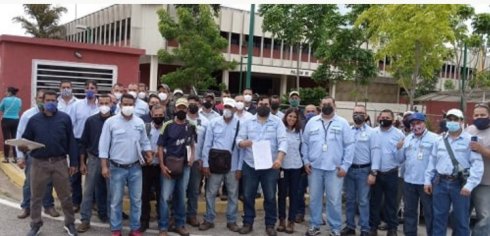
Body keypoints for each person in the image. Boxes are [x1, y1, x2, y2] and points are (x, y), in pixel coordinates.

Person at [18, 90, 79, 236]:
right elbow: (26, 139)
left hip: (60, 162)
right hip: (39, 163)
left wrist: (74, 162)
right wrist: (22, 148)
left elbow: (71, 141)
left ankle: (69, 223)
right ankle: (36, 224)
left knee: (65, 196)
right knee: (36, 196)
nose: (50, 103)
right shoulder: (34, 120)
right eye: (48, 100)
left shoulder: (65, 118)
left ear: (57, 102)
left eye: (53, 100)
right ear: (42, 102)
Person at [99, 93, 153, 236]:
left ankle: (135, 228)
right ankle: (116, 229)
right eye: (125, 104)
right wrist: (104, 166)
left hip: (135, 168)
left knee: (136, 200)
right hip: (116, 168)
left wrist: (148, 154)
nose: (128, 107)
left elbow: (144, 141)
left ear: (134, 106)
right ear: (120, 105)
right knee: (116, 201)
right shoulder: (110, 122)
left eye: (130, 104)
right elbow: (103, 146)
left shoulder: (139, 122)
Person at [424, 108, 483, 236]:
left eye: (455, 119)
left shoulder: (470, 140)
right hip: (440, 183)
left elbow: (477, 164)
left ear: (462, 121)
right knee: (439, 219)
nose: (452, 122)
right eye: (449, 119)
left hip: (460, 185)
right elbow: (432, 162)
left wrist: (470, 185)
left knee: (461, 220)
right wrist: (427, 181)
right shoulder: (439, 140)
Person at [302, 96, 354, 236]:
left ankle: (335, 228)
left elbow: (349, 146)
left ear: (334, 105)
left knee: (334, 199)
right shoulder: (312, 122)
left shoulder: (342, 123)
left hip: (335, 169)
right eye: (324, 104)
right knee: (314, 198)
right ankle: (314, 225)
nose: (326, 106)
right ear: (320, 105)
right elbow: (305, 143)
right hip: (315, 168)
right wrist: (306, 161)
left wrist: (345, 166)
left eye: (329, 104)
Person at [236, 95, 287, 236]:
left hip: (270, 167)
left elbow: (283, 141)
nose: (263, 106)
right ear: (256, 105)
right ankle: (248, 222)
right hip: (250, 165)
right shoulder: (247, 121)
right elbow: (238, 139)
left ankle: (270, 225)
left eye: (266, 104)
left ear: (270, 106)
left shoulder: (277, 122)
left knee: (270, 196)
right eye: (260, 103)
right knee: (248, 195)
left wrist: (279, 159)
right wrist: (243, 143)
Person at [199, 98, 241, 232]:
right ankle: (209, 219)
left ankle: (232, 220)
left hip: (233, 166)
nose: (228, 109)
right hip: (215, 165)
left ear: (235, 109)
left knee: (233, 194)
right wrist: (206, 163)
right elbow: (207, 144)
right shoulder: (214, 123)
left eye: (231, 107)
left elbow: (241, 150)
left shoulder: (240, 125)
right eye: (226, 106)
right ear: (223, 107)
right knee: (210, 193)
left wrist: (239, 167)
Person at [15, 89, 58, 219]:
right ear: (36, 99)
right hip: (32, 154)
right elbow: (20, 135)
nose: (42, 101)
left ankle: (48, 206)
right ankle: (26, 207)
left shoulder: (54, 115)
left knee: (48, 181)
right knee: (29, 181)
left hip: (49, 155)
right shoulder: (28, 115)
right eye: (40, 98)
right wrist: (20, 156)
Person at [158, 98, 196, 236]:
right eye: (179, 108)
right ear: (175, 109)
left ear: (187, 110)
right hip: (169, 166)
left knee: (181, 197)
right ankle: (163, 227)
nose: (181, 110)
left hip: (185, 167)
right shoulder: (167, 125)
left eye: (184, 108)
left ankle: (180, 224)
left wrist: (192, 157)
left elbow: (192, 143)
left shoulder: (191, 125)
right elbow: (160, 147)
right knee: (165, 197)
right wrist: (162, 165)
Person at [397, 112, 438, 236]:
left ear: (424, 123)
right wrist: (398, 149)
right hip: (409, 181)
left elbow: (437, 160)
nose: (416, 126)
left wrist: (431, 180)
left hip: (427, 182)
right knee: (409, 212)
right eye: (413, 124)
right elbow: (400, 160)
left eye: (418, 123)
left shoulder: (435, 139)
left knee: (430, 212)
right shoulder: (408, 138)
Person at [76, 94, 113, 233]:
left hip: (112, 160)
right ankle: (85, 220)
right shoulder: (91, 121)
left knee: (111, 192)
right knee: (89, 191)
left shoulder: (116, 120)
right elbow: (83, 143)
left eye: (107, 103)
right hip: (94, 159)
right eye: (101, 102)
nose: (104, 105)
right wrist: (82, 162)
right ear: (98, 104)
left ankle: (110, 219)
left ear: (111, 104)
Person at [341, 105, 378, 236]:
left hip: (364, 170)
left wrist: (373, 172)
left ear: (366, 115)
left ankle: (365, 229)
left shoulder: (372, 132)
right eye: (356, 112)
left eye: (361, 113)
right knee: (349, 199)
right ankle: (350, 226)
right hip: (349, 170)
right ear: (352, 114)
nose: (358, 115)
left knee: (363, 201)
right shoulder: (347, 130)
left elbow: (375, 153)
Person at [368, 109, 405, 236]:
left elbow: (402, 158)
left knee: (391, 203)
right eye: (382, 117)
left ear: (393, 119)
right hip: (376, 173)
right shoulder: (373, 133)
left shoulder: (399, 134)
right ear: (379, 118)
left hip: (392, 173)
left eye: (387, 117)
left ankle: (392, 228)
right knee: (374, 202)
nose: (384, 119)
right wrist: (372, 172)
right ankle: (373, 227)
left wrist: (399, 149)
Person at [68, 80, 100, 213]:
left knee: (94, 173)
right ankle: (76, 201)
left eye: (92, 88)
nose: (90, 90)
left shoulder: (102, 105)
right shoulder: (76, 105)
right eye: (87, 88)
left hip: (94, 142)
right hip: (78, 141)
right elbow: (70, 125)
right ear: (84, 90)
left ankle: (93, 201)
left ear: (97, 90)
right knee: (75, 172)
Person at [139, 104, 166, 232]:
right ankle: (144, 221)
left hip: (162, 167)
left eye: (161, 115)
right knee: (144, 195)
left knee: (162, 195)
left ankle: (162, 222)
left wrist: (160, 153)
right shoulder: (146, 128)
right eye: (156, 116)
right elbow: (139, 144)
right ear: (151, 115)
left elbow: (171, 147)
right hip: (147, 166)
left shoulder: (168, 128)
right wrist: (146, 154)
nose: (158, 118)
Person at [276, 108, 303, 234]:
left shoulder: (300, 132)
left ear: (297, 119)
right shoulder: (280, 130)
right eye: (289, 116)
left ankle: (291, 221)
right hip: (282, 166)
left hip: (296, 167)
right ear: (286, 117)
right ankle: (281, 220)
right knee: (281, 194)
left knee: (294, 194)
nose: (291, 119)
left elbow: (303, 148)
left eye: (294, 117)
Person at [185, 95, 208, 227]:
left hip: (196, 161)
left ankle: (192, 215)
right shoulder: (181, 119)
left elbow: (206, 143)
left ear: (199, 105)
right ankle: (179, 215)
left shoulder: (205, 122)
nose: (192, 105)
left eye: (195, 103)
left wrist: (203, 160)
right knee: (180, 190)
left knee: (194, 190)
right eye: (190, 103)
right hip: (181, 161)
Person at [467, 103, 490, 236]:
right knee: (461, 213)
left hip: (486, 183)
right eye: (476, 115)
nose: (479, 117)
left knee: (485, 216)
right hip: (468, 180)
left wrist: (482, 150)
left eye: (483, 115)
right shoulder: (469, 130)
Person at [296, 104, 318, 224]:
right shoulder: (299, 125)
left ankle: (317, 216)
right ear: (304, 113)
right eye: (308, 111)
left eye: (313, 111)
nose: (310, 113)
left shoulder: (321, 124)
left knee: (317, 192)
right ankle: (300, 212)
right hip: (302, 163)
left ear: (317, 112)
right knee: (300, 190)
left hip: (318, 163)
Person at [1, 86, 22, 163]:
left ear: (9, 92)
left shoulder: (5, 99)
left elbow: (1, 108)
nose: (5, 93)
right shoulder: (19, 100)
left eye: (6, 91)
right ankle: (16, 158)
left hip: (6, 120)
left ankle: (6, 158)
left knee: (7, 139)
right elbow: (19, 109)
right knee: (15, 138)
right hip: (16, 120)